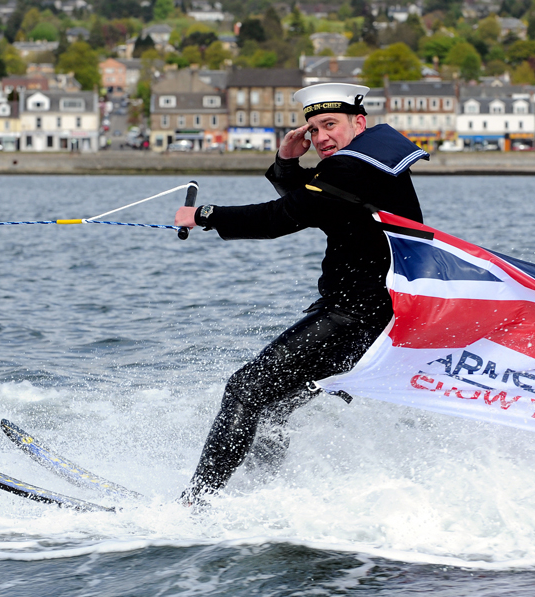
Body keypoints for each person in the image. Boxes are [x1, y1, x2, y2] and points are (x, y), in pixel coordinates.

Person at [174, 83, 429, 504]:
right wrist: (287, 162)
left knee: (245, 390)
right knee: (272, 408)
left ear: (358, 122)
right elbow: (315, 202)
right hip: (371, 319)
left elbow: (284, 216)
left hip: (354, 316)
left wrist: (204, 215)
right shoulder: (371, 163)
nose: (320, 137)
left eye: (330, 125)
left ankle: (195, 503)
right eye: (312, 130)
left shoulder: (356, 167)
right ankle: (260, 496)